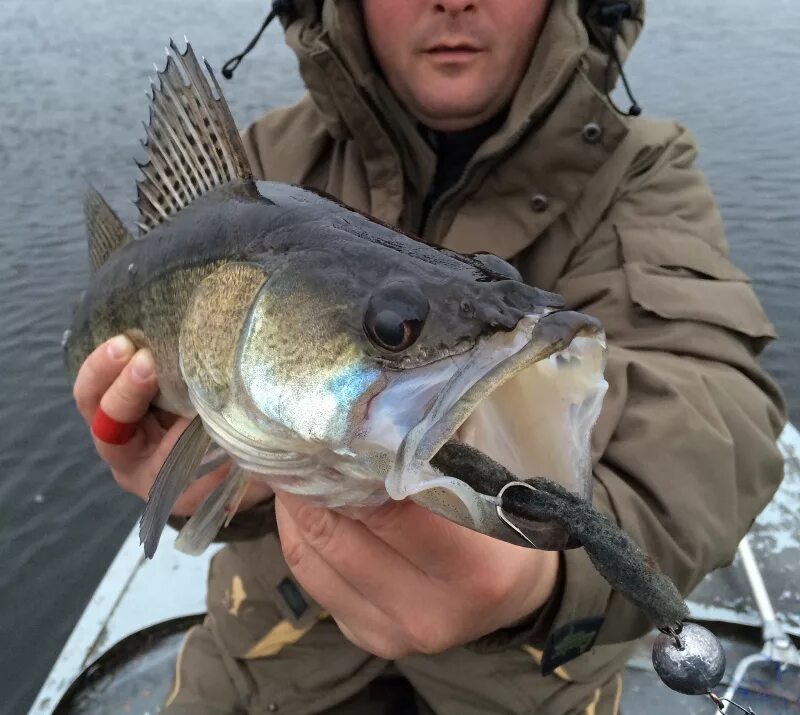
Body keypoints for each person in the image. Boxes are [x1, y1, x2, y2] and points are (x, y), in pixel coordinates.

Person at [72, 1, 787, 713]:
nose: (454, 1)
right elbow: (234, 425)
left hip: (525, 682)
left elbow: (713, 402)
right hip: (266, 656)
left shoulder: (644, 168)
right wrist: (223, 491)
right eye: (393, 328)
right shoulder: (262, 160)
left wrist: (549, 582)